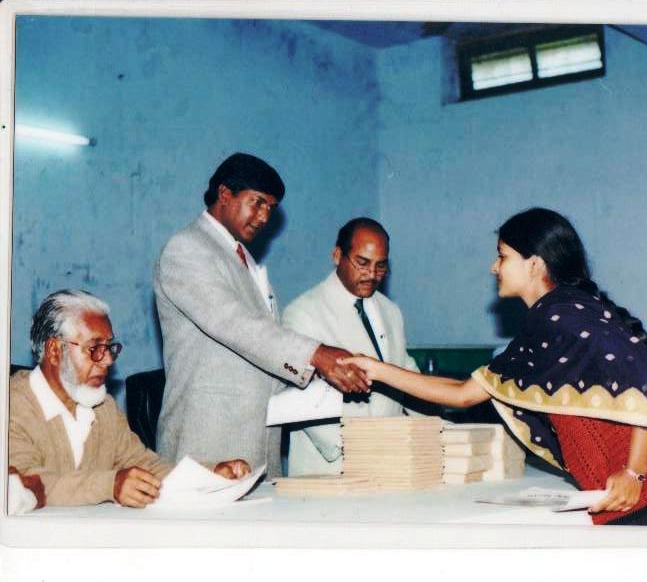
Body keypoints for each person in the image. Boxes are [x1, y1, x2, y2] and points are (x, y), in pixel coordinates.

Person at [342, 207, 647, 527]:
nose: (494, 267)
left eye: (503, 256)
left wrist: (634, 471)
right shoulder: (550, 320)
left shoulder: (563, 315)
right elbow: (463, 394)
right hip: (629, 495)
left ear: (535, 263)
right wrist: (376, 369)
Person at [154, 153, 368, 478]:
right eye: (258, 203)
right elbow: (232, 322)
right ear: (225, 194)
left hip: (257, 442)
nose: (265, 216)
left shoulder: (242, 257)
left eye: (271, 208)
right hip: (208, 441)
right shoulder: (186, 248)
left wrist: (316, 375)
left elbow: (263, 344)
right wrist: (315, 355)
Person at [9, 290, 250, 509]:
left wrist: (212, 474)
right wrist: (110, 485)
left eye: (109, 348)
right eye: (94, 348)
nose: (107, 361)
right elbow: (25, 484)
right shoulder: (11, 406)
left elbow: (146, 466)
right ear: (54, 350)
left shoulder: (103, 408)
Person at [283, 218, 424, 475]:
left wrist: (438, 431)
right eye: (362, 263)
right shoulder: (303, 312)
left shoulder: (391, 311)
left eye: (381, 266)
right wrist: (362, 449)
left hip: (392, 462)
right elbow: (301, 396)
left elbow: (408, 376)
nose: (371, 274)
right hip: (333, 466)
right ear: (337, 256)